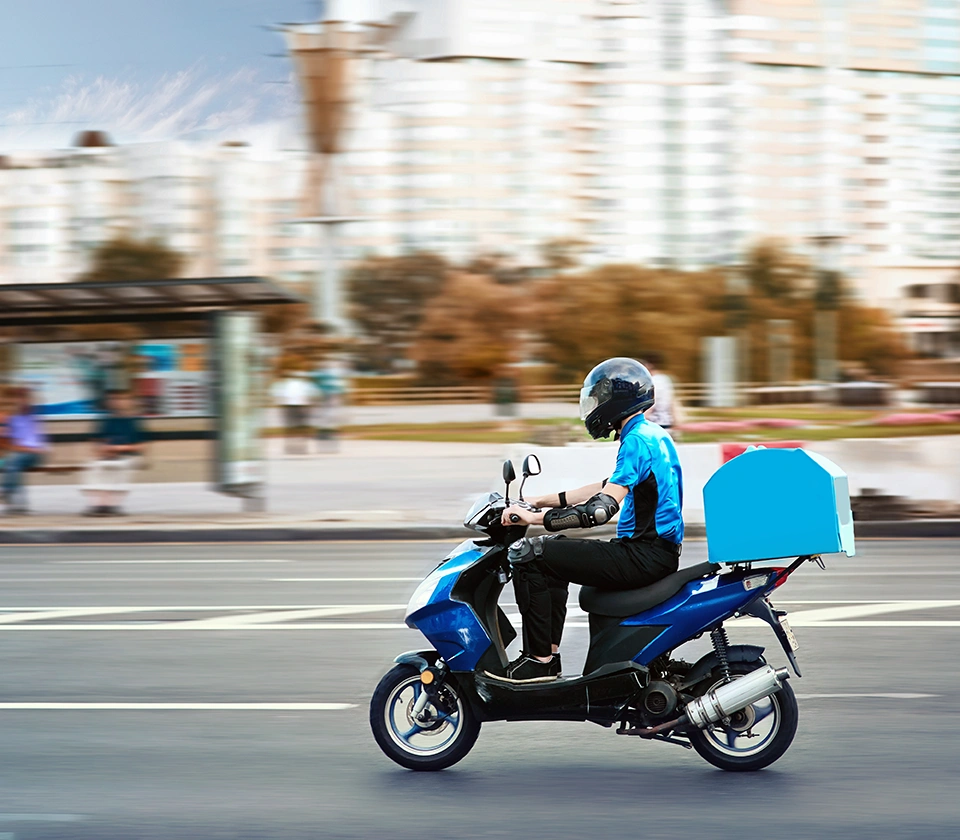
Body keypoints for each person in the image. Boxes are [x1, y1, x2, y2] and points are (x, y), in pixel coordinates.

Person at [493, 357, 684, 683]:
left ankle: (540, 661)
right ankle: (548, 655)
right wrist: (541, 499)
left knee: (531, 553)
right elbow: (604, 486)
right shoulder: (649, 433)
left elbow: (599, 510)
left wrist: (536, 518)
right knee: (553, 556)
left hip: (643, 555)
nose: (594, 409)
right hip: (653, 552)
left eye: (598, 400)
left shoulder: (637, 440)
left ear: (617, 401)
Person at [81, 390, 146, 516]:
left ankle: (113, 505)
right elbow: (96, 441)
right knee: (93, 467)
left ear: (130, 402)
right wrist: (102, 450)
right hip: (107, 456)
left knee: (120, 468)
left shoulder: (134, 421)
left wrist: (119, 449)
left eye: (122, 399)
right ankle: (98, 505)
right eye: (115, 399)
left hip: (128, 455)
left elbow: (141, 446)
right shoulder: (105, 421)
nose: (118, 403)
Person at [2, 387, 49, 514]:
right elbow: (11, 443)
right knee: (14, 464)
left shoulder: (34, 415)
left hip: (38, 454)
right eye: (19, 399)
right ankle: (19, 505)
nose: (21, 401)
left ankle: (7, 491)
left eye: (24, 398)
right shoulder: (13, 419)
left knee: (13, 462)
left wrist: (31, 449)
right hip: (22, 454)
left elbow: (38, 402)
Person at [272, 371, 316, 454]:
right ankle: (302, 446)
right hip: (301, 406)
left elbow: (278, 394)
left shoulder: (284, 384)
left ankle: (290, 446)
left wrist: (279, 402)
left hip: (289, 405)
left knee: (290, 426)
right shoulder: (303, 384)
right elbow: (312, 393)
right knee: (301, 426)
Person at [642, 351, 677, 431]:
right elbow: (672, 402)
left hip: (654, 424)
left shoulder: (652, 381)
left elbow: (650, 405)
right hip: (667, 422)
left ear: (649, 365)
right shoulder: (665, 379)